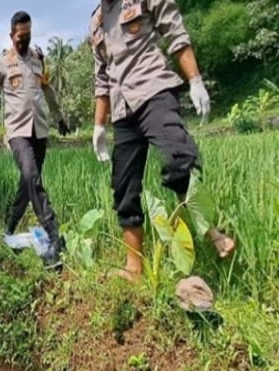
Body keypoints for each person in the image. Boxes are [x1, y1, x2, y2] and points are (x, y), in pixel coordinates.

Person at [89, 0, 235, 282]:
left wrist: (195, 80)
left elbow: (175, 32)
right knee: (124, 189)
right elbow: (101, 79)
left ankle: (211, 232)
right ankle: (134, 268)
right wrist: (98, 126)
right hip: (122, 110)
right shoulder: (96, 21)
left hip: (154, 90)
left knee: (179, 157)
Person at [0, 11, 70, 271]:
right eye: (20, 38)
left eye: (28, 36)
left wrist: (60, 117)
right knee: (32, 176)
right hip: (17, 132)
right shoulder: (2, 64)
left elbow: (47, 88)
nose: (24, 42)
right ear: (11, 36)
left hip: (39, 130)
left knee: (27, 183)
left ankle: (8, 227)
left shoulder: (38, 58)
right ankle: (54, 234)